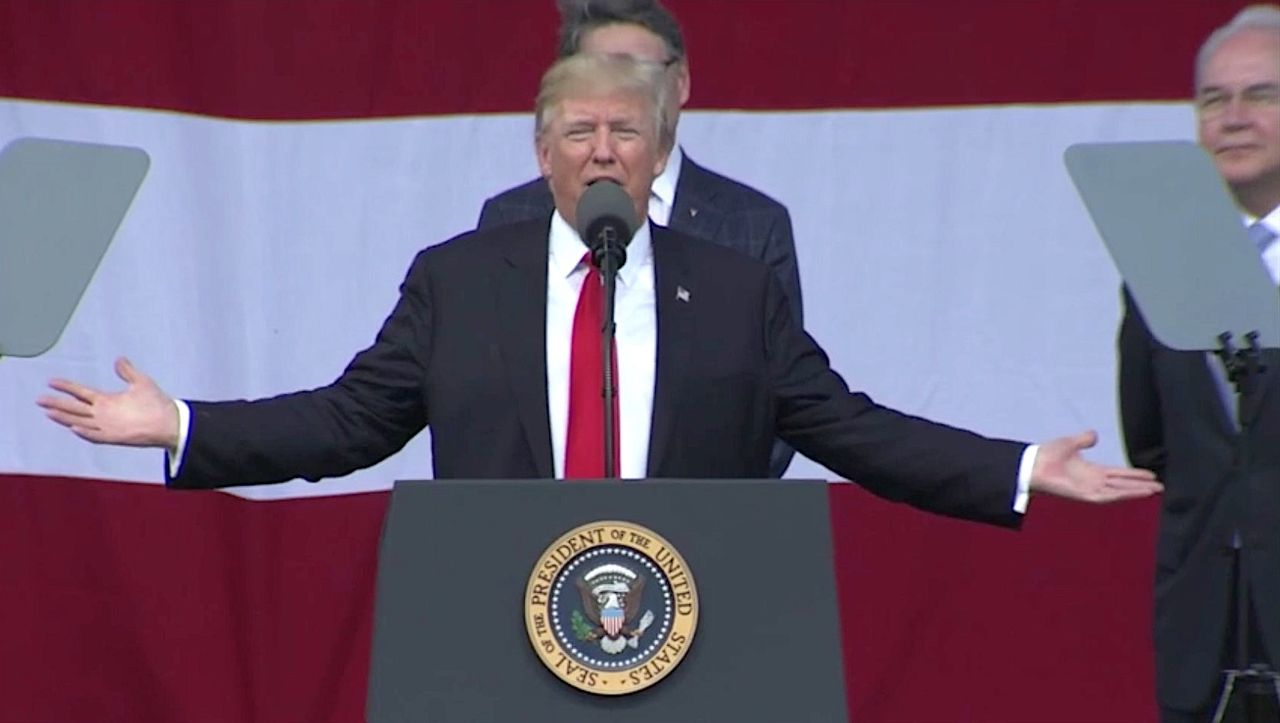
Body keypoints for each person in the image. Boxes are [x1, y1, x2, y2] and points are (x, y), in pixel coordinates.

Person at [39, 55, 1158, 534]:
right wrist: (180, 424)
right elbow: (346, 424)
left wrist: (1015, 467)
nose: (603, 149)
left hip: (693, 628)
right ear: (541, 152)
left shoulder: (731, 288)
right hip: (493, 625)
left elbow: (846, 429)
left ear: (661, 148)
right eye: (579, 131)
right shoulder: (458, 280)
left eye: (626, 131)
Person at [477, 0, 802, 477]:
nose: (615, 92)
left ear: (681, 83)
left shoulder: (748, 223)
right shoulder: (510, 217)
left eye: (635, 73)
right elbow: (487, 393)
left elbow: (781, 408)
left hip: (697, 532)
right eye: (596, 72)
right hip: (536, 531)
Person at [1117, 5, 1280, 721]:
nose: (1232, 117)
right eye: (1213, 99)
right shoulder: (1160, 264)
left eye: (1263, 95)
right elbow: (1155, 444)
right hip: (1203, 645)